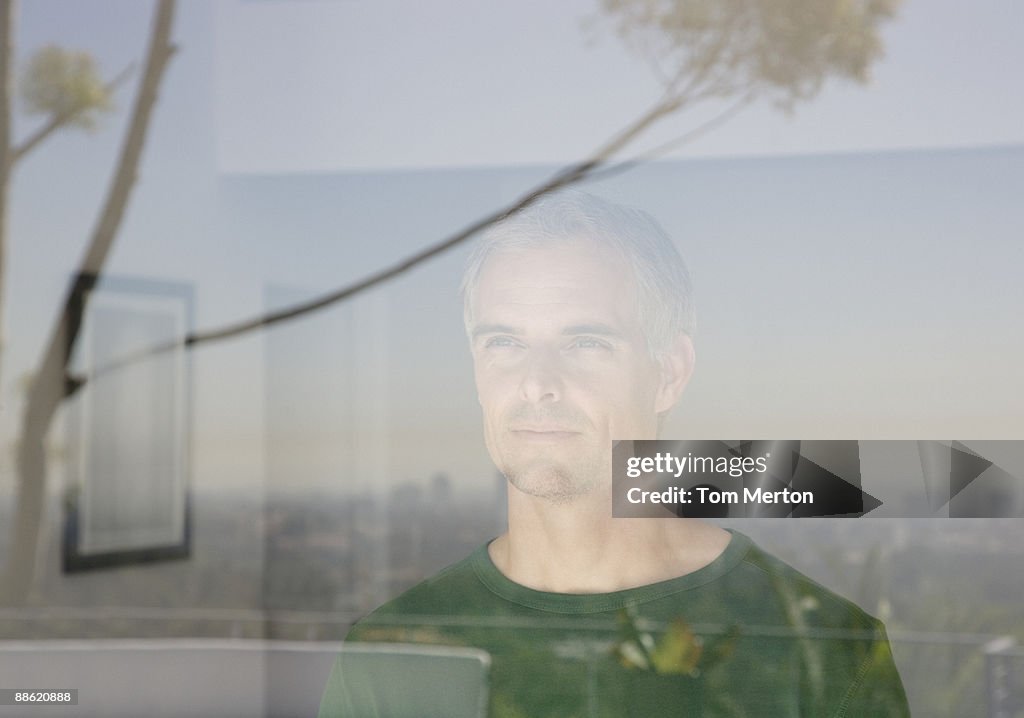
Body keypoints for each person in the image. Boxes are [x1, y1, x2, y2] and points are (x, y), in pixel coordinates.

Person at [319, 191, 910, 717]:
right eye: (505, 342)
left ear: (670, 373)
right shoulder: (392, 652)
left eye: (585, 342)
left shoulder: (825, 649)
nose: (536, 383)